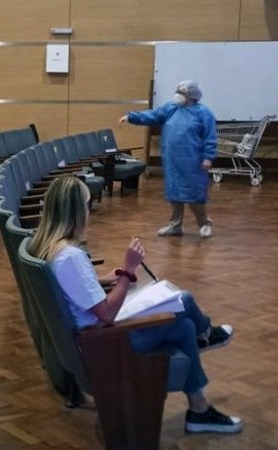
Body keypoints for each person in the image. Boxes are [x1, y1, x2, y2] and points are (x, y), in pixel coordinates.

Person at [28, 176, 242, 435]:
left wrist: (104, 279)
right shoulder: (71, 257)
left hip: (93, 341)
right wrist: (129, 270)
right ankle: (205, 335)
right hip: (105, 346)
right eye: (86, 205)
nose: (89, 213)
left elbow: (70, 289)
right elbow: (106, 314)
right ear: (75, 211)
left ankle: (199, 407)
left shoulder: (50, 249)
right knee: (182, 302)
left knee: (184, 325)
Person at [118, 80, 217, 238]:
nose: (178, 95)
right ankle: (175, 225)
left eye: (182, 93)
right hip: (172, 160)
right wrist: (131, 117)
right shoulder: (171, 108)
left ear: (191, 96)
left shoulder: (203, 113)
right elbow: (152, 115)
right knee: (174, 191)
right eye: (178, 91)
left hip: (193, 161)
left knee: (194, 194)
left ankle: (204, 223)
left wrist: (208, 157)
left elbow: (210, 137)